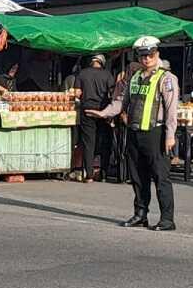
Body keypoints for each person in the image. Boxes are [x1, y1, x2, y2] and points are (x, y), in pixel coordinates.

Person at [89, 36, 180, 232]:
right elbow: (122, 102)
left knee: (161, 177)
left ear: (157, 54)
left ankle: (167, 219)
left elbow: (172, 110)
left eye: (150, 54)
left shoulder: (166, 78)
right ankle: (140, 214)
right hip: (134, 132)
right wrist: (103, 113)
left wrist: (170, 135)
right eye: (143, 55)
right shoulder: (135, 77)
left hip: (156, 132)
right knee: (138, 177)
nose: (146, 58)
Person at [69, 54, 115, 183]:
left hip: (87, 110)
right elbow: (113, 93)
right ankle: (104, 173)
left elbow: (77, 93)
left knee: (88, 143)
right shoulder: (107, 75)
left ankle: (89, 175)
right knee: (105, 142)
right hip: (103, 111)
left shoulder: (82, 74)